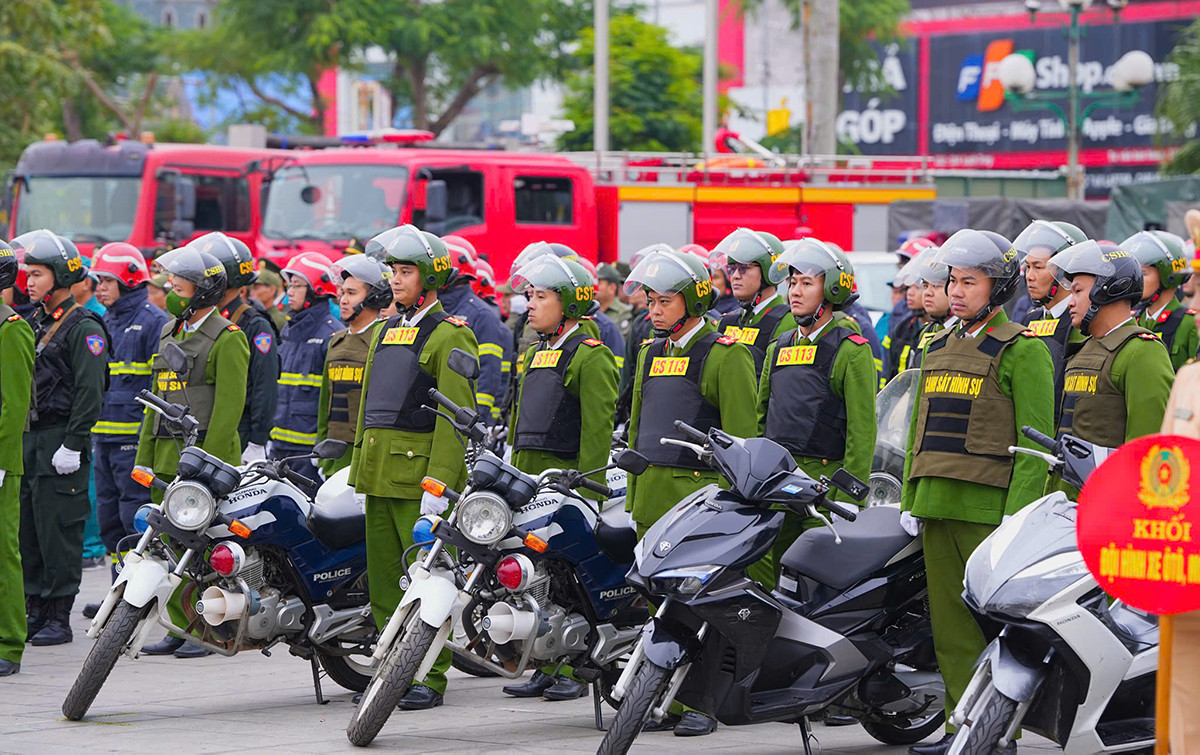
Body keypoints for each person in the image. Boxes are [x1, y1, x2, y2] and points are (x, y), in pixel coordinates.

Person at [899, 229, 1055, 755]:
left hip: (989, 511)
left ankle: (998, 733)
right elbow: (918, 431)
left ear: (999, 286)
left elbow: (1035, 446)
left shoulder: (1021, 350)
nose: (958, 291)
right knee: (949, 629)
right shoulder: (937, 345)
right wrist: (907, 499)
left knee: (995, 630)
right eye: (953, 281)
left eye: (971, 281)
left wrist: (1019, 519)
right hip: (935, 505)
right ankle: (956, 727)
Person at [623, 247, 757, 737]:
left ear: (693, 301)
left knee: (707, 605)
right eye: (650, 300)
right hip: (653, 495)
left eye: (664, 301)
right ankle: (660, 697)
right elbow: (639, 426)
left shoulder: (726, 354)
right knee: (660, 607)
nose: (653, 310)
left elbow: (740, 439)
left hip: (701, 502)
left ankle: (703, 703)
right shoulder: (650, 352)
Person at [348, 225, 477, 711]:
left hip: (417, 476)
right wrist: (358, 466)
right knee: (384, 580)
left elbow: (455, 417)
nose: (396, 280)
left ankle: (431, 675)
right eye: (394, 271)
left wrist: (441, 484)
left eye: (406, 272)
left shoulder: (449, 335)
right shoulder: (383, 329)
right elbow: (369, 406)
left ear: (430, 279)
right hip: (379, 473)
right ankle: (391, 666)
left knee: (429, 579)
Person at [500, 254, 618, 703]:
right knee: (538, 579)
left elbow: (596, 431)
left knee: (569, 578)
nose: (529, 304)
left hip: (565, 486)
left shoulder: (592, 356)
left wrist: (584, 489)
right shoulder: (535, 351)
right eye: (529, 295)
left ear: (568, 303)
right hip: (530, 477)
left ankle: (575, 665)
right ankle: (545, 663)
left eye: (540, 296)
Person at [135, 245, 249, 658]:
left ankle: (210, 626)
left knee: (202, 546)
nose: (169, 290)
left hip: (202, 459)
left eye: (177, 285)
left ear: (201, 292)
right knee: (168, 545)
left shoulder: (227, 338)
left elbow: (229, 409)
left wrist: (207, 465)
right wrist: (144, 457)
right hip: (167, 452)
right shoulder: (169, 332)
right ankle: (180, 624)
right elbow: (156, 403)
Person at [756, 239, 876, 577]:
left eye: (807, 283)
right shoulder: (778, 347)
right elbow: (761, 417)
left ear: (832, 290)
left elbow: (862, 429)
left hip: (824, 491)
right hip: (777, 486)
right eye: (792, 282)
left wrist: (851, 494)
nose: (794, 291)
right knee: (771, 580)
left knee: (814, 584)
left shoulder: (852, 350)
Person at [12, 230, 109, 647]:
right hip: (30, 440)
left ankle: (58, 615)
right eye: (27, 275)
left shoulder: (83, 326)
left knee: (59, 530)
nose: (28, 282)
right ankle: (34, 608)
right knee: (29, 529)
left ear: (61, 277)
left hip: (59, 440)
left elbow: (91, 390)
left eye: (37, 275)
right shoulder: (34, 320)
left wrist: (73, 442)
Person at [1046, 240, 1175, 495]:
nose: (1070, 302)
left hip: (1108, 505)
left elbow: (1147, 449)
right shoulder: (1083, 350)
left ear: (1107, 290)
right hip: (1066, 502)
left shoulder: (1142, 352)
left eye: (1078, 291)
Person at [85, 243, 169, 616]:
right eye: (98, 281)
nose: (100, 288)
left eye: (107, 280)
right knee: (107, 520)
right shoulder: (105, 319)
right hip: (103, 437)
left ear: (130, 280)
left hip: (131, 439)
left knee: (131, 517)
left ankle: (137, 600)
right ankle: (117, 595)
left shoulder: (153, 322)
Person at [197, 232, 280, 465]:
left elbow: (264, 386)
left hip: (239, 430)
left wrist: (257, 441)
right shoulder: (205, 320)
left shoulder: (255, 325)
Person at [315, 256, 391, 477]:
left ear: (374, 297)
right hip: (333, 455)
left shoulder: (384, 341)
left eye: (352, 293)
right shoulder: (336, 341)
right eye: (343, 293)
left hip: (364, 456)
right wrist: (322, 453)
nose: (343, 300)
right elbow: (324, 405)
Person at [1160, 360, 1200, 754]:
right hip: (1187, 575)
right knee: (1184, 719)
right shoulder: (1189, 377)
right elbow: (1163, 466)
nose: (1195, 309)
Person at [270, 252, 341, 466]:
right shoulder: (289, 330)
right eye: (289, 285)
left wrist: (323, 454)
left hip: (309, 454)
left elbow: (335, 403)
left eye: (296, 285)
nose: (289, 292)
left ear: (315, 289)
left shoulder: (332, 335)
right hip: (278, 448)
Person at [1013, 220, 1087, 425]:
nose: (1029, 276)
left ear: (1065, 272)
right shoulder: (1030, 319)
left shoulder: (1081, 323)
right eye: (1027, 267)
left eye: (1038, 267)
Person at [0, 242, 35, 675]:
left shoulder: (11, 329)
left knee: (3, 552)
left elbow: (13, 404)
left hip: (1, 461)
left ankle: (8, 644)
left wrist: (3, 460)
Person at [438, 236, 510, 423]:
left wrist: (476, 424)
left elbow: (488, 375)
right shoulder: (435, 308)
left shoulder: (481, 316)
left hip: (461, 422)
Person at [710, 227, 792, 374]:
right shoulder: (727, 321)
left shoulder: (789, 321)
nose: (735, 275)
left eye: (743, 268)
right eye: (731, 268)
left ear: (769, 271)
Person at [1126, 230, 1198, 372]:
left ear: (1167, 276)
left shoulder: (1190, 323)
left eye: (1143, 273)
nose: (1136, 280)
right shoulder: (1132, 320)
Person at [883, 258, 928, 381]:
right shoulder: (902, 328)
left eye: (918, 287)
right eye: (909, 287)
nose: (910, 293)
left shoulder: (942, 331)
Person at [596, 263, 633, 338]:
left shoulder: (623, 313)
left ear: (612, 288)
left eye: (599, 283)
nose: (594, 286)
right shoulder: (592, 309)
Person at [249, 266, 288, 333]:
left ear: (272, 290)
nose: (252, 293)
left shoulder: (280, 320)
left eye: (256, 288)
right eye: (251, 288)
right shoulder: (251, 315)